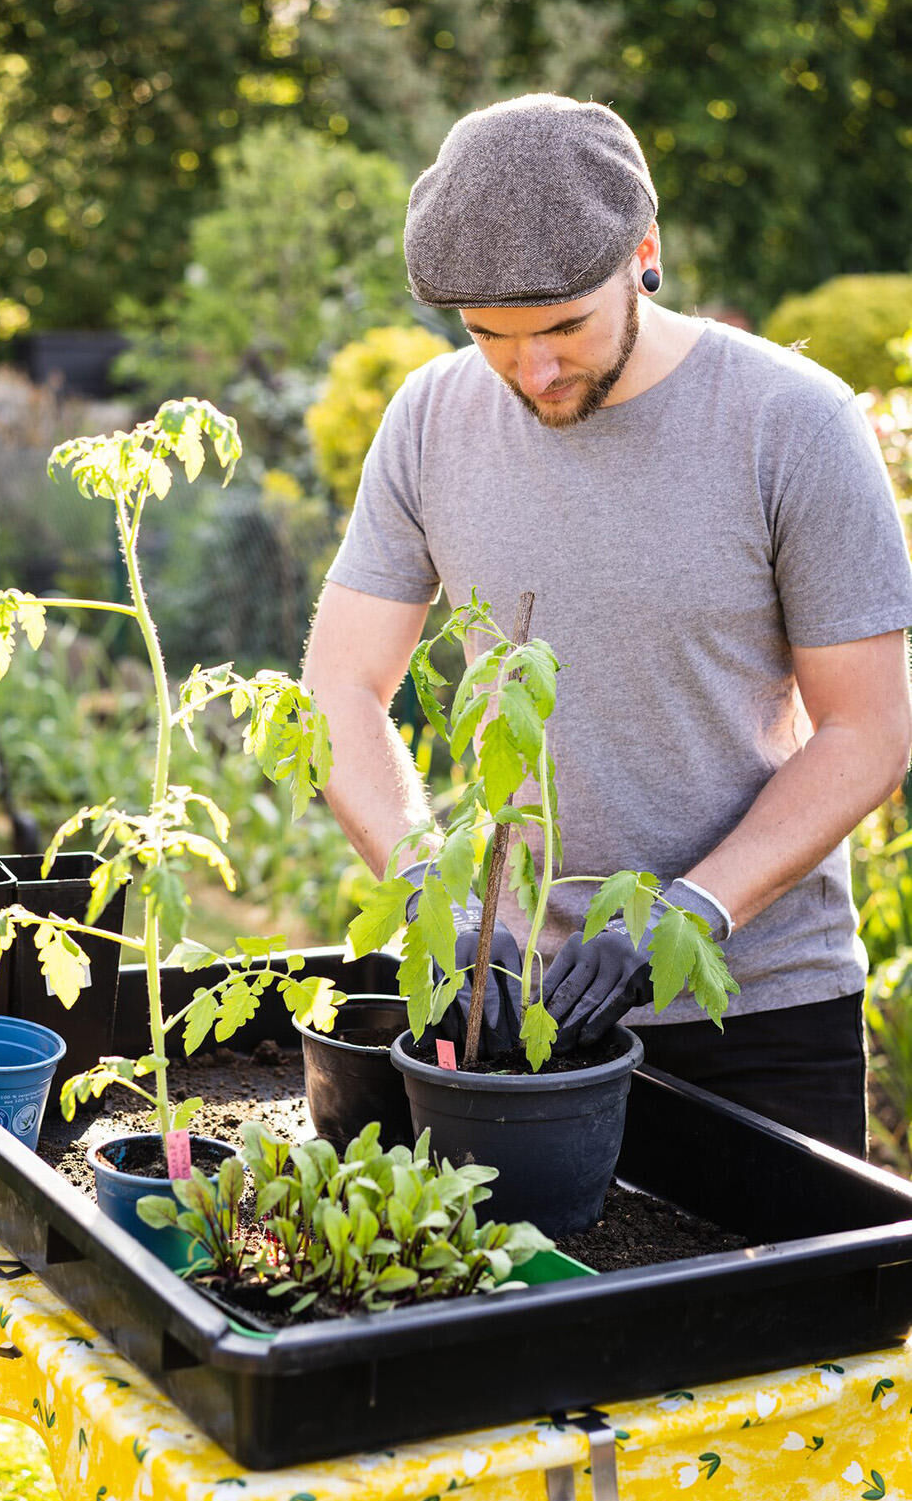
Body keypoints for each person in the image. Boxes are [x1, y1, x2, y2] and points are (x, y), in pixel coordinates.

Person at [301, 92, 912, 1157]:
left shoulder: (790, 423)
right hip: (512, 1017)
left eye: (563, 328)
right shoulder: (428, 421)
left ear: (644, 252)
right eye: (492, 336)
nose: (532, 372)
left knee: (777, 1324)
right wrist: (428, 895)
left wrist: (686, 912)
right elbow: (341, 687)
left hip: (755, 1014)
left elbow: (868, 732)